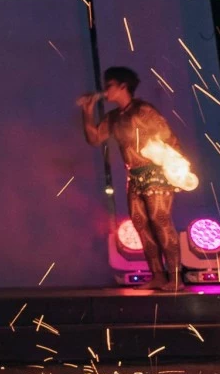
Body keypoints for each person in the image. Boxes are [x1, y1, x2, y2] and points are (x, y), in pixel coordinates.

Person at [78, 66, 185, 291]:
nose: (105, 91)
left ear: (123, 86)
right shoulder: (114, 117)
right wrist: (87, 112)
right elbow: (95, 138)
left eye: (109, 86)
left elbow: (169, 139)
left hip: (155, 174)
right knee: (141, 225)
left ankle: (176, 279)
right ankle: (157, 275)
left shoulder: (143, 111)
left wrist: (175, 171)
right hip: (134, 177)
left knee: (161, 223)